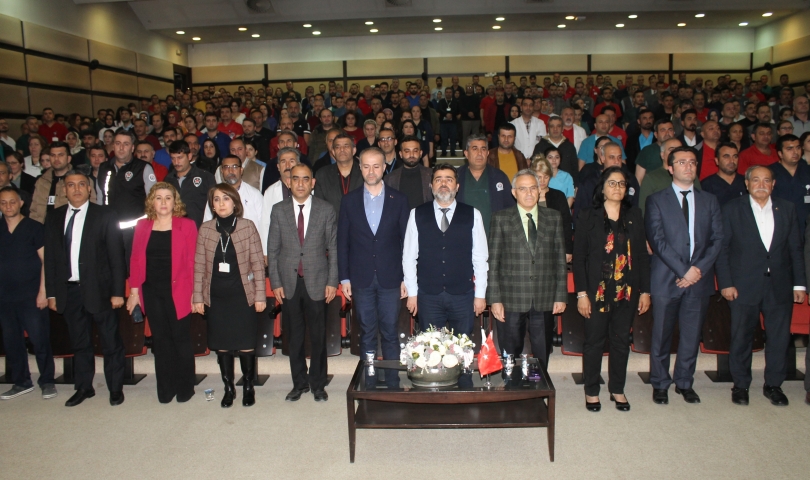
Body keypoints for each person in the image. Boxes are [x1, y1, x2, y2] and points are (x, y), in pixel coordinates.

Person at [717, 166, 806, 407]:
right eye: (755, 180)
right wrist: (726, 283)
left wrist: (800, 284)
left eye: (767, 180)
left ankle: (774, 385)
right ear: (746, 184)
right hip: (743, 284)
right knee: (741, 337)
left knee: (778, 338)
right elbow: (722, 250)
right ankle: (741, 385)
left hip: (780, 284)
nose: (761, 184)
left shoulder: (786, 209)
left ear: (774, 184)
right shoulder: (732, 209)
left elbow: (795, 249)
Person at [645, 146, 723, 405]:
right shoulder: (656, 200)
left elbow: (717, 239)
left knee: (691, 335)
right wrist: (683, 270)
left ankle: (684, 382)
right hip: (667, 278)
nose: (688, 166)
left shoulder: (710, 200)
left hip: (698, 280)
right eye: (681, 162)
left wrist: (696, 271)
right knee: (661, 336)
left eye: (692, 162)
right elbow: (657, 240)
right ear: (670, 168)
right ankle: (659, 383)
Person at [44, 170, 127, 407]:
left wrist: (117, 292)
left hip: (100, 290)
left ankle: (115, 388)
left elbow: (116, 257)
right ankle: (83, 387)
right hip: (69, 291)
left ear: (89, 189)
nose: (77, 189)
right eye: (71, 185)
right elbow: (50, 259)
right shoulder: (53, 217)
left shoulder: (105, 214)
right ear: (64, 189)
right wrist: (52, 292)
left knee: (111, 341)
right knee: (79, 343)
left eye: (82, 184)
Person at [573, 167, 651, 412]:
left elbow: (641, 256)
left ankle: (617, 389)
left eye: (621, 184)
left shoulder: (635, 215)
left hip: (626, 291)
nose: (617, 188)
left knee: (620, 342)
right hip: (596, 291)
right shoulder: (587, 215)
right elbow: (579, 258)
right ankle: (592, 391)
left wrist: (645, 291)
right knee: (594, 342)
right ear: (602, 187)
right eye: (612, 183)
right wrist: (582, 294)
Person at [337, 148, 409, 386]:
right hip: (361, 278)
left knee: (390, 332)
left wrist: (406, 278)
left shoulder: (399, 200)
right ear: (360, 167)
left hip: (391, 278)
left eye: (376, 166)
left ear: (384, 167)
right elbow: (343, 242)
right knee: (367, 333)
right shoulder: (349, 200)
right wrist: (344, 278)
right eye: (366, 166)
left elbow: (407, 243)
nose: (371, 171)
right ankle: (368, 384)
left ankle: (392, 383)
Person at [267, 164, 338, 403]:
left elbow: (334, 249)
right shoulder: (278, 210)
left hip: (318, 280)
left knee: (318, 336)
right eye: (294, 178)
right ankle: (299, 383)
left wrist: (332, 281)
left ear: (313, 183)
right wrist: (275, 281)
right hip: (288, 282)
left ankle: (318, 384)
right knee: (294, 336)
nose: (299, 183)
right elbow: (273, 248)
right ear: (288, 182)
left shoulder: (326, 209)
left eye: (305, 179)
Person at [193, 184, 266, 408]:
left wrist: (261, 295)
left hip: (243, 296)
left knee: (245, 344)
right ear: (212, 205)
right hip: (216, 297)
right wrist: (197, 297)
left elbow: (258, 263)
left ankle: (248, 387)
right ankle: (228, 388)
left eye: (226, 199)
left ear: (235, 203)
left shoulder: (247, 227)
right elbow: (198, 266)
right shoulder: (205, 229)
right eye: (216, 199)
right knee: (222, 345)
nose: (221, 203)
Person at [488, 169, 567, 372]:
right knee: (511, 350)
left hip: (544, 296)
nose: (529, 193)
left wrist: (560, 295)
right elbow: (493, 262)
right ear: (514, 192)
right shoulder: (501, 218)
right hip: (512, 297)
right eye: (523, 189)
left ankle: (539, 387)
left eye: (533, 188)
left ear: (540, 190)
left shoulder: (554, 217)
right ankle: (511, 389)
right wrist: (495, 299)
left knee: (542, 350)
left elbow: (559, 259)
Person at [127, 183, 198, 403]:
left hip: (180, 290)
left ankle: (185, 388)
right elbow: (136, 260)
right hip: (151, 291)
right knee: (161, 340)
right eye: (159, 198)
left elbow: (193, 261)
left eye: (168, 198)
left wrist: (196, 293)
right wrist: (134, 292)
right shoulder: (142, 226)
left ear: (175, 201)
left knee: (180, 339)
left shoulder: (186, 225)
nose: (164, 202)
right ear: (152, 201)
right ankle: (166, 390)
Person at [403, 164, 488, 336]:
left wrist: (480, 294)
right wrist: (412, 293)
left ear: (457, 187)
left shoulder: (473, 214)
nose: (443, 184)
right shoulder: (416, 214)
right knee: (430, 349)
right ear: (431, 186)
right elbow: (409, 257)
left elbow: (480, 258)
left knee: (463, 348)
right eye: (438, 179)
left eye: (449, 180)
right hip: (428, 295)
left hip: (462, 295)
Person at [0, 186, 56, 401]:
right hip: (4, 297)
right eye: (3, 203)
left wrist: (44, 292)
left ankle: (47, 381)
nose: (8, 206)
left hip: (31, 295)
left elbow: (45, 262)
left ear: (21, 202)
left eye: (12, 202)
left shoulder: (34, 228)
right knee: (12, 341)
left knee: (39, 339)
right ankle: (21, 381)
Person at [96, 129, 156, 264]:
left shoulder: (143, 168)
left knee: (133, 271)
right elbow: (100, 198)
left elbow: (153, 201)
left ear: (132, 147)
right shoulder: (104, 168)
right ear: (113, 146)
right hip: (109, 230)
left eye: (126, 144)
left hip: (135, 232)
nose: (121, 148)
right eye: (118, 143)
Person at [455, 134, 515, 236]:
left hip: (493, 238)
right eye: (475, 149)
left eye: (483, 149)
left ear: (487, 153)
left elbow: (510, 208)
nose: (479, 153)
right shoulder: (456, 177)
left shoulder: (499, 177)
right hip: (463, 237)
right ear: (466, 153)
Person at [164, 140, 216, 227]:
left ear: (189, 156)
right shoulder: (168, 180)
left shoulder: (205, 177)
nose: (176, 162)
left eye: (180, 158)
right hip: (174, 229)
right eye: (173, 158)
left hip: (200, 230)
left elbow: (214, 205)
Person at [204, 155, 263, 229]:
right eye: (226, 167)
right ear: (222, 171)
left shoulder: (254, 194)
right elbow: (207, 224)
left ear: (241, 170)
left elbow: (263, 224)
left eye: (234, 167)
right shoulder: (215, 195)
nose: (230, 171)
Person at [532, 156, 573, 263]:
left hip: (554, 246)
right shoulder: (528, 196)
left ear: (550, 176)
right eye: (539, 177)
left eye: (545, 176)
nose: (542, 180)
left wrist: (568, 250)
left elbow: (566, 223)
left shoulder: (558, 196)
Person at [314, 132, 362, 216]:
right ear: (333, 151)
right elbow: (319, 206)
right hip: (332, 225)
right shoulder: (322, 174)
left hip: (359, 225)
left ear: (354, 150)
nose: (342, 149)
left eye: (346, 146)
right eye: (338, 147)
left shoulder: (364, 172)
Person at [769, 134, 810, 233]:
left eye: (798, 148)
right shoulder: (769, 172)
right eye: (789, 149)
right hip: (779, 223)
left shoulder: (807, 170)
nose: (795, 152)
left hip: (806, 223)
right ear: (780, 153)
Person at [384, 135, 433, 209]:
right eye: (407, 151)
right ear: (400, 154)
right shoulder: (390, 178)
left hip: (426, 219)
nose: (411, 155)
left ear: (420, 153)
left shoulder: (432, 175)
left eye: (415, 151)